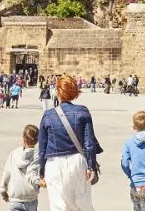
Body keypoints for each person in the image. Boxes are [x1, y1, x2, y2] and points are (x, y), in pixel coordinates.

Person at [37, 75, 101, 211]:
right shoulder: (83, 111)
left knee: (58, 206)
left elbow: (42, 147)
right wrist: (91, 166)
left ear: (58, 92)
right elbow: (89, 143)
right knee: (83, 204)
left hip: (54, 163)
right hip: (77, 161)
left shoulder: (48, 115)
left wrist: (41, 171)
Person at [2, 125, 44, 211]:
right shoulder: (37, 156)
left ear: (23, 139)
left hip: (16, 198)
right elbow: (32, 173)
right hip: (31, 198)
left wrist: (3, 191)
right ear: (37, 141)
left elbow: (6, 173)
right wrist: (39, 182)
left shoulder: (14, 154)